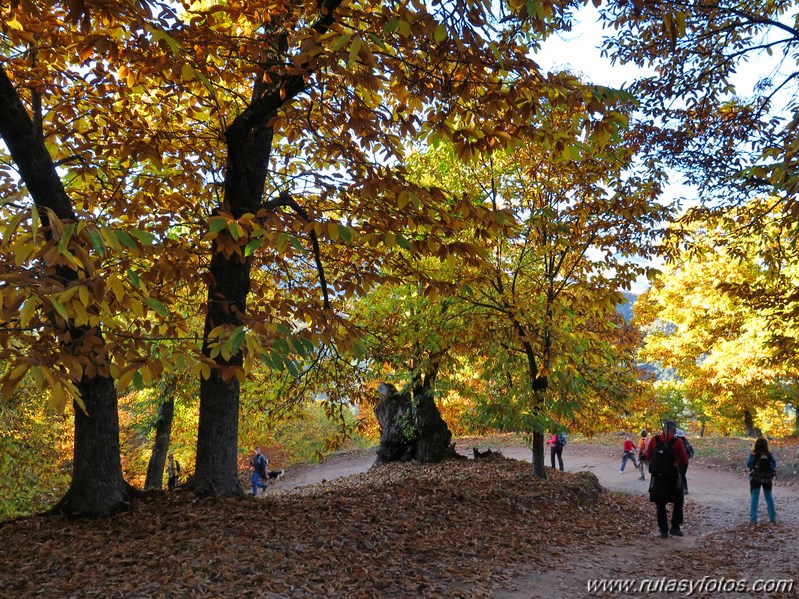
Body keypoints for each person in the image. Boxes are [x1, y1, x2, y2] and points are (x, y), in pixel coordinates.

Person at [645, 420, 689, 538]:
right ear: (674, 430)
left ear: (663, 429)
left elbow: (647, 456)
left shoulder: (654, 440)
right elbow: (684, 460)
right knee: (678, 501)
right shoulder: (678, 441)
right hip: (673, 477)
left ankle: (663, 530)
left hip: (658, 478)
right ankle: (675, 527)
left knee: (660, 504)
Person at [747, 437, 777, 524]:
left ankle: (753, 519)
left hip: (755, 478)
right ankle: (772, 518)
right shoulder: (769, 454)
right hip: (767, 479)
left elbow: (749, 464)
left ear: (756, 444)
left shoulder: (753, 454)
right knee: (769, 498)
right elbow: (774, 464)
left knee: (754, 498)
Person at [675, 429, 693, 494]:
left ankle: (683, 489)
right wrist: (687, 457)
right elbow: (691, 453)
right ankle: (684, 489)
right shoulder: (686, 442)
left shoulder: (678, 443)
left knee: (680, 474)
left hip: (680, 462)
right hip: (686, 462)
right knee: (682, 475)